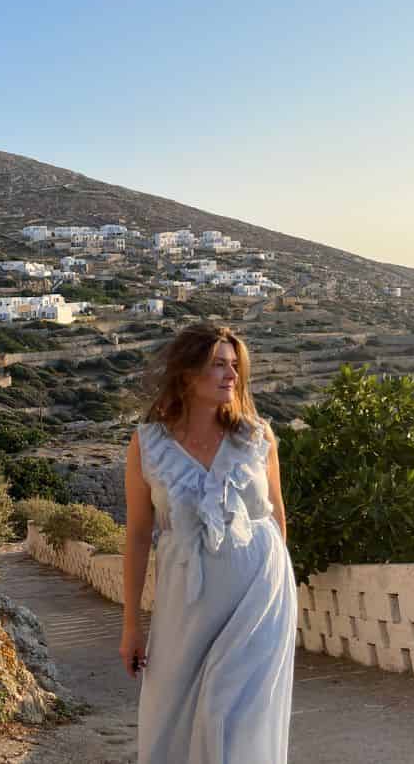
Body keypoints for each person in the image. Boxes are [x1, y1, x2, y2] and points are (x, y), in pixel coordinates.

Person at [120, 323, 296, 763]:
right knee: (174, 713)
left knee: (235, 714)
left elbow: (276, 517)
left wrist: (279, 588)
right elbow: (140, 534)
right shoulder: (148, 444)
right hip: (186, 601)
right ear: (186, 372)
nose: (231, 375)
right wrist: (130, 627)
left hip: (258, 595)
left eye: (235, 366)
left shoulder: (257, 437)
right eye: (218, 364)